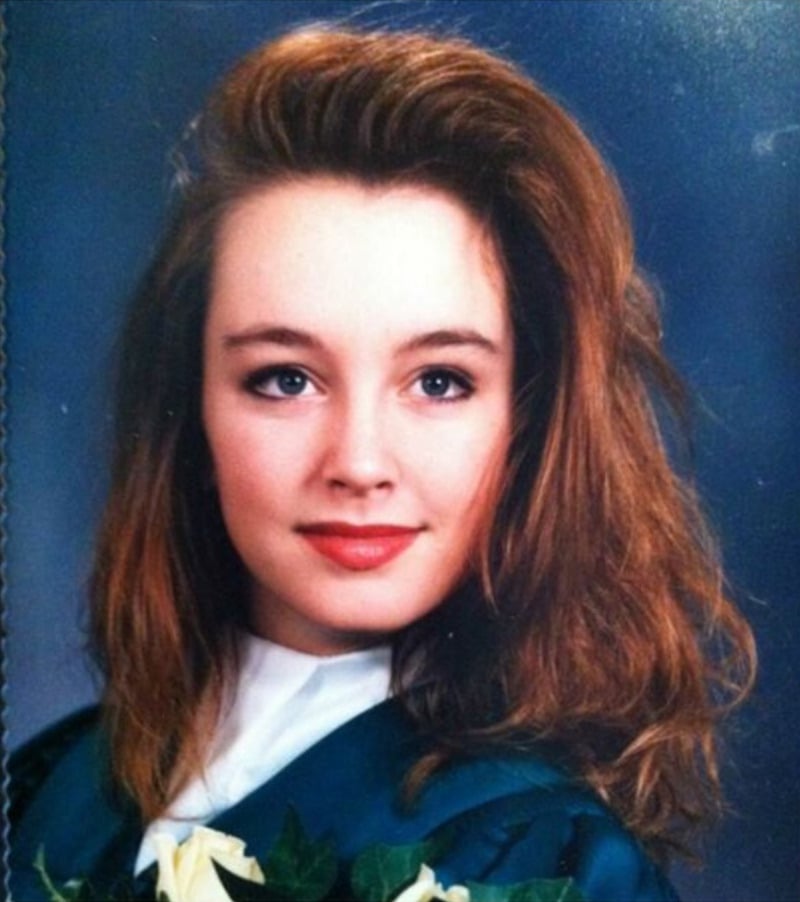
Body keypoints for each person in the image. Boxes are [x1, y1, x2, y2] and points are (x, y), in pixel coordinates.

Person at [9, 25, 755, 902]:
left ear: (526, 425)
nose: (359, 463)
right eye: (285, 379)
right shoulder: (54, 784)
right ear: (189, 410)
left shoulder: (551, 858)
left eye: (439, 381)